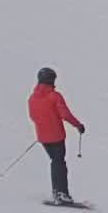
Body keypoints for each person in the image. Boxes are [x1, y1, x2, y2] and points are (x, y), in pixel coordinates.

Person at [29, 66, 85, 203]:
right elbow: (65, 115)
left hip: (42, 138)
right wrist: (78, 125)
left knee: (55, 161)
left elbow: (33, 116)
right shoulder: (55, 96)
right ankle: (61, 194)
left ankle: (57, 192)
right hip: (56, 136)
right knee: (59, 163)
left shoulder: (32, 98)